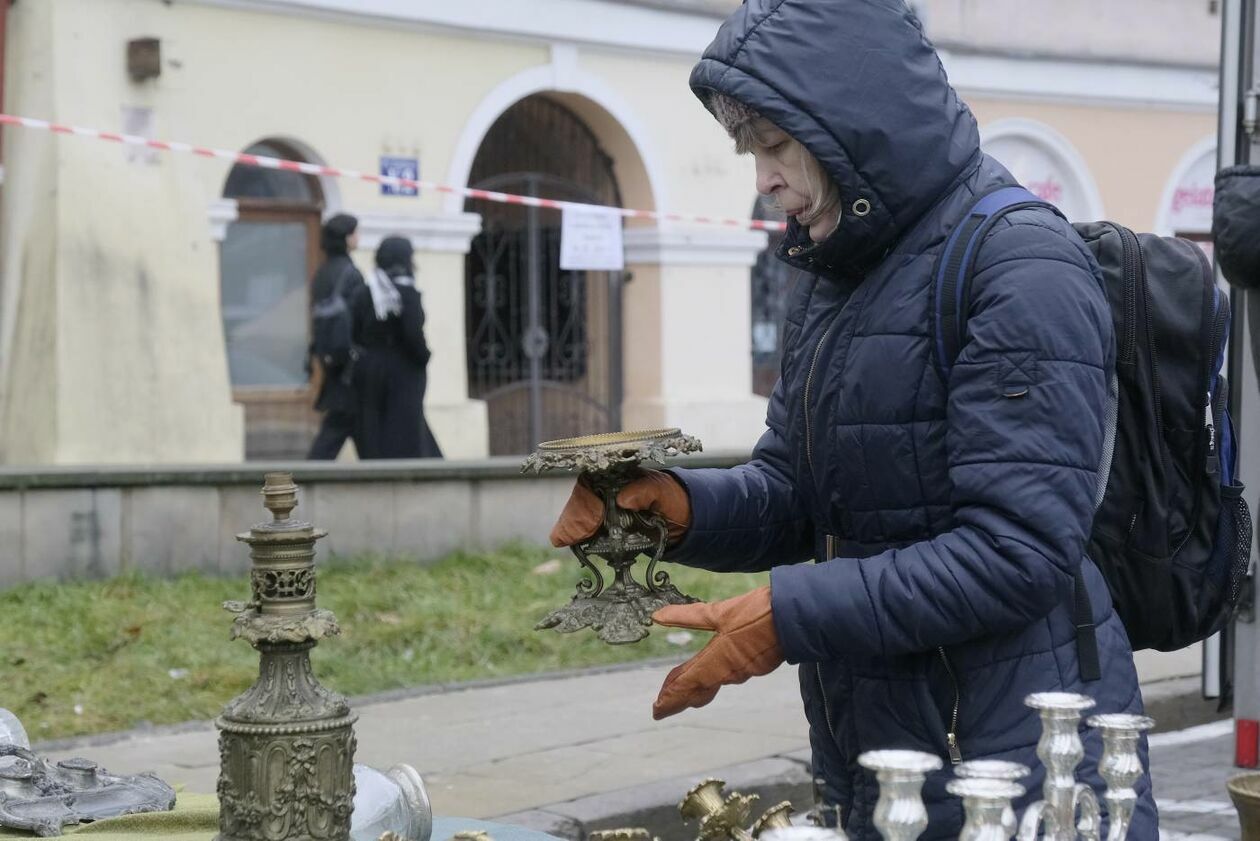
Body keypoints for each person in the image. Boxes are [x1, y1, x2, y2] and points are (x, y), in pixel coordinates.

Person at [549, 1, 1156, 838]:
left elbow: (1018, 551)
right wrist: (676, 509)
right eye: (748, 149)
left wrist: (789, 615)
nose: (760, 177)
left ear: (849, 125)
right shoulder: (839, 272)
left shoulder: (1021, 265)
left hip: (1015, 763)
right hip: (877, 750)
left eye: (773, 145)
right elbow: (799, 490)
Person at [350, 236, 442, 459]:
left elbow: (354, 329)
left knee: (376, 426)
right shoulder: (406, 293)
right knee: (404, 426)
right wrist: (424, 356)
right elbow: (413, 333)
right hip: (404, 370)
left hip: (370, 368)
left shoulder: (366, 290)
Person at [307, 213, 364, 460]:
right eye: (355, 232)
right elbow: (360, 316)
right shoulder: (350, 273)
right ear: (346, 238)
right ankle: (310, 476)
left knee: (355, 422)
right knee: (339, 425)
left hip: (329, 356)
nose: (358, 237)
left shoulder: (322, 273)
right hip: (349, 360)